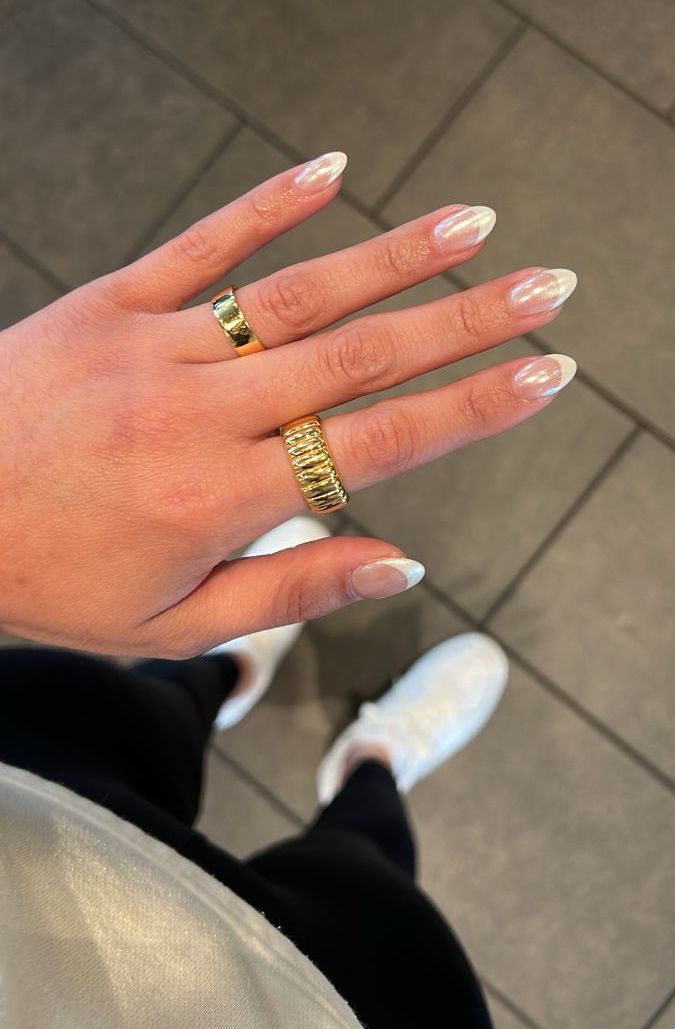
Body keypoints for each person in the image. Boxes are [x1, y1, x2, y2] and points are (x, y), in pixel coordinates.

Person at [0, 151, 578, 1027]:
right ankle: (373, 761)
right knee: (369, 890)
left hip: (25, 808)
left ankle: (213, 676)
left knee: (107, 722)